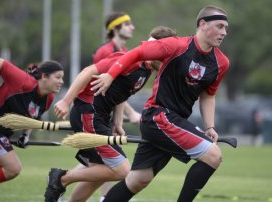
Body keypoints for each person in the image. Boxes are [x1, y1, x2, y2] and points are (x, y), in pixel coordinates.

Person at [91, 5, 229, 202]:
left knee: (139, 179)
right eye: (220, 26)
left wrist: (210, 126)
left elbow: (208, 95)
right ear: (202, 24)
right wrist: (110, 76)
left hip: (174, 122)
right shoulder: (176, 45)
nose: (224, 32)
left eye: (226, 28)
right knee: (214, 156)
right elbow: (137, 53)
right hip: (158, 116)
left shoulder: (221, 63)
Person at [44, 26, 177, 202]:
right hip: (88, 113)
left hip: (100, 117)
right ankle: (61, 178)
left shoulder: (146, 70)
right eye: (165, 55)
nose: (167, 61)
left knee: (98, 174)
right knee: (122, 170)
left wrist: (117, 122)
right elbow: (88, 71)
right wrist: (66, 101)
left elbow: (121, 95)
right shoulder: (128, 60)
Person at [0, 57, 64, 201]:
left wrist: (25, 135)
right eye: (58, 77)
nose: (61, 81)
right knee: (13, 168)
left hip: (0, 132)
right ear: (44, 76)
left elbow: (31, 118)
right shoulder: (24, 81)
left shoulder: (48, 99)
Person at [76, 11, 137, 202]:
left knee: (100, 165)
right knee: (109, 163)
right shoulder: (106, 51)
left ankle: (66, 189)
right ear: (115, 28)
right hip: (89, 112)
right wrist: (132, 112)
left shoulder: (126, 53)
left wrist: (118, 119)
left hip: (103, 114)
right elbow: (99, 85)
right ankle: (103, 196)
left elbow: (119, 92)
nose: (132, 27)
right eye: (127, 24)